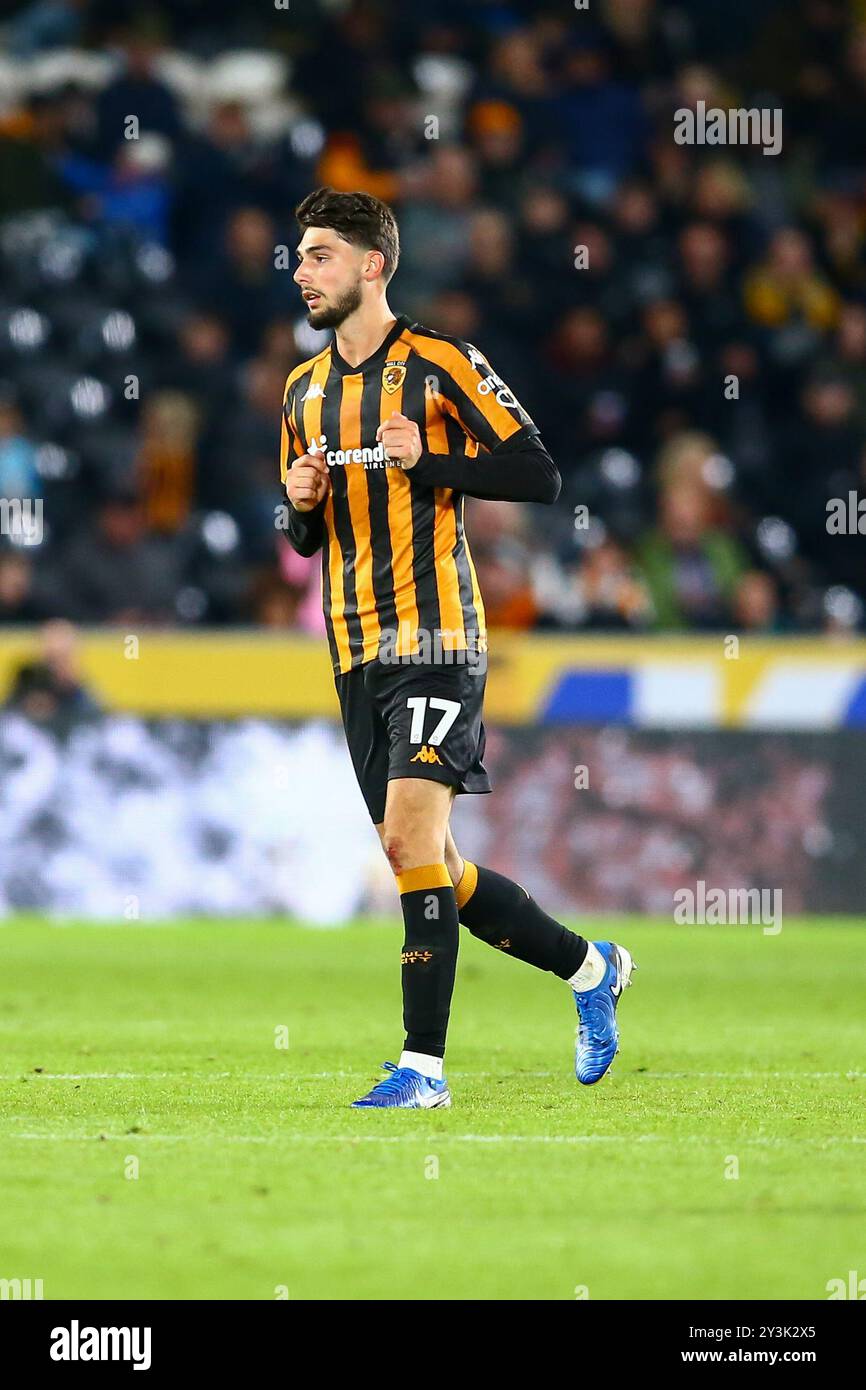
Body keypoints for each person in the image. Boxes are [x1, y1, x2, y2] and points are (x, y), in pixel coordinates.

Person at [281, 187, 636, 1109]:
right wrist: (301, 506)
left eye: (320, 253)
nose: (301, 269)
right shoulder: (303, 392)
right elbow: (304, 541)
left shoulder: (442, 363)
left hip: (437, 635)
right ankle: (592, 970)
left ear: (374, 264)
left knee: (407, 839)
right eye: (300, 253)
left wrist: (429, 461)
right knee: (425, 857)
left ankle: (422, 1072)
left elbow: (538, 471)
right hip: (354, 648)